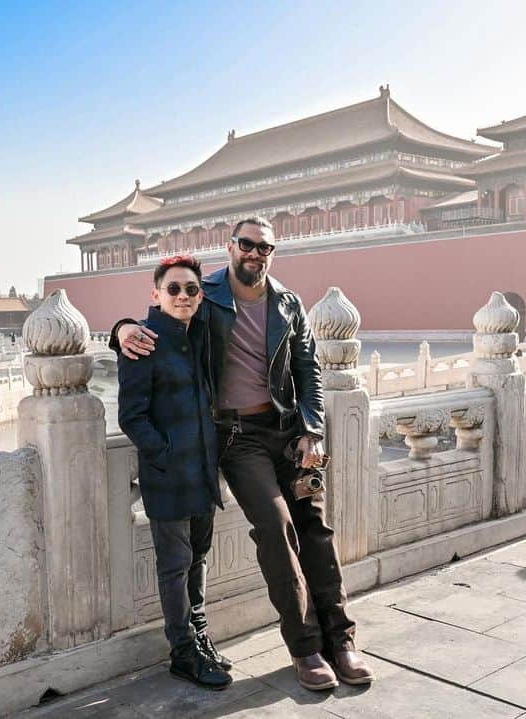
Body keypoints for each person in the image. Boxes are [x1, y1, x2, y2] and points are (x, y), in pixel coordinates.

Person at [114, 216, 374, 690]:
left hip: (289, 432)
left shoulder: (288, 303)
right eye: (247, 244)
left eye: (265, 247)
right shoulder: (205, 295)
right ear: (230, 246)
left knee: (315, 529)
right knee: (276, 528)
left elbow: (308, 371)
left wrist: (311, 432)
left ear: (273, 253)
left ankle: (342, 641)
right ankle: (306, 647)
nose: (255, 253)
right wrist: (122, 326)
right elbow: (165, 319)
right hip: (238, 438)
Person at [117, 255, 231, 690]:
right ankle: (182, 652)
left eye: (191, 290)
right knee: (175, 564)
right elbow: (132, 416)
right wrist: (162, 454)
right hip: (169, 475)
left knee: (198, 559)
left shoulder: (197, 333)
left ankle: (199, 637)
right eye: (174, 289)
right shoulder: (143, 342)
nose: (183, 296)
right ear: (156, 294)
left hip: (203, 471)